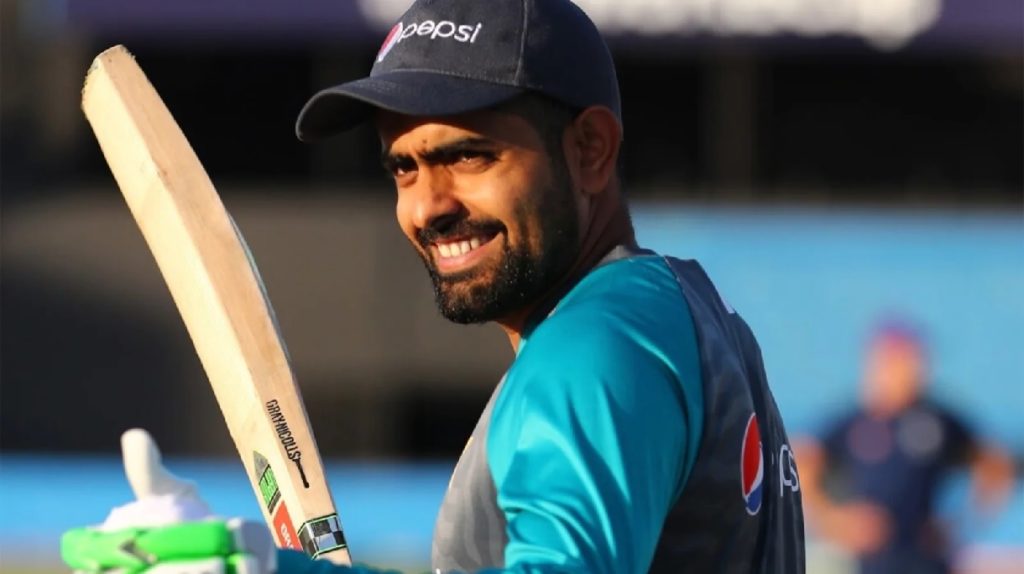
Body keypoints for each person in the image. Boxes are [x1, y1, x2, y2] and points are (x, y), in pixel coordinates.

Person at [62, 0, 805, 572]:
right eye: (403, 168)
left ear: (590, 150)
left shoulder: (592, 346)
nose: (428, 207)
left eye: (469, 156)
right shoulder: (687, 316)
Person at [796, 318, 1014, 574]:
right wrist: (834, 522)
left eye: (912, 361)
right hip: (873, 563)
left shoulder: (938, 420)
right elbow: (801, 462)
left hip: (927, 558)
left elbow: (995, 462)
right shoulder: (853, 422)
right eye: (893, 362)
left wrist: (963, 523)